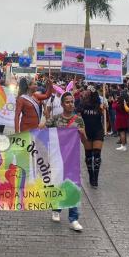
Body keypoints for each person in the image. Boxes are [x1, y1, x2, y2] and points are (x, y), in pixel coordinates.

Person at [46, 91, 86, 231]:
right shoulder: (55, 120)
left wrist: (82, 134)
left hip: (72, 160)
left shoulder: (79, 120)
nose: (71, 104)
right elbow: (43, 135)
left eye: (72, 102)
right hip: (56, 158)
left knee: (73, 186)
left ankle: (74, 218)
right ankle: (56, 209)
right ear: (62, 104)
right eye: (68, 102)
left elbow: (85, 142)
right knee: (57, 183)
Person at [79, 88, 105, 188]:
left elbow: (103, 117)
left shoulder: (100, 105)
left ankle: (95, 178)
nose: (88, 93)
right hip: (87, 132)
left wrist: (103, 109)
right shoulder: (82, 105)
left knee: (97, 155)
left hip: (98, 131)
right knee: (89, 157)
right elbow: (77, 116)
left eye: (90, 92)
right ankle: (91, 175)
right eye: (87, 92)